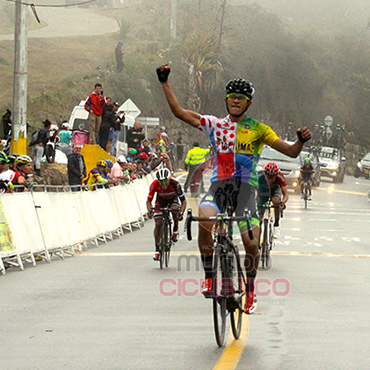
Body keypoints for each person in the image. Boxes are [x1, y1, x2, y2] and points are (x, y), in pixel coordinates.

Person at [156, 64, 311, 314]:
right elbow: (179, 112)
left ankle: (249, 291)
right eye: (232, 97)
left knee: (252, 244)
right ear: (227, 100)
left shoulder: (259, 129)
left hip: (247, 190)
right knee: (204, 220)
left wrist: (301, 141)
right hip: (219, 186)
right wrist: (165, 82)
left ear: (248, 103)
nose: (236, 101)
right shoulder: (215, 124)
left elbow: (291, 151)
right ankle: (209, 276)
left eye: (241, 98)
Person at [146, 168, 187, 261]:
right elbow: (148, 201)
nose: (163, 184)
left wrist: (181, 213)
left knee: (174, 209)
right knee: (158, 223)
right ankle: (157, 250)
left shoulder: (175, 185)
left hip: (173, 200)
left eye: (165, 181)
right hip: (160, 202)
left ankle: (175, 229)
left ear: (169, 179)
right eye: (161, 181)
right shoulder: (154, 185)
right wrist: (150, 211)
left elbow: (183, 202)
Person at [258, 162, 288, 239]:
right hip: (263, 192)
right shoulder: (260, 176)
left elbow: (286, 195)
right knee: (258, 218)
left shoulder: (280, 177)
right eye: (268, 177)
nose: (270, 179)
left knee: (276, 201)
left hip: (275, 190)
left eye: (273, 177)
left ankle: (276, 224)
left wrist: (282, 203)